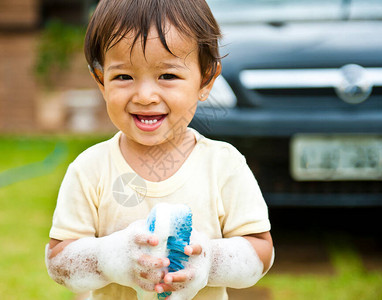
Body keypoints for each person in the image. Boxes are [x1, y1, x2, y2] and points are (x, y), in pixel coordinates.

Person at [45, 0, 274, 299]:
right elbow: (59, 260)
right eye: (123, 76)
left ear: (206, 80)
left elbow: (260, 251)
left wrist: (208, 261)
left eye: (167, 76)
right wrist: (109, 258)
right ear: (101, 82)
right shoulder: (90, 169)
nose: (145, 95)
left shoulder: (223, 165)